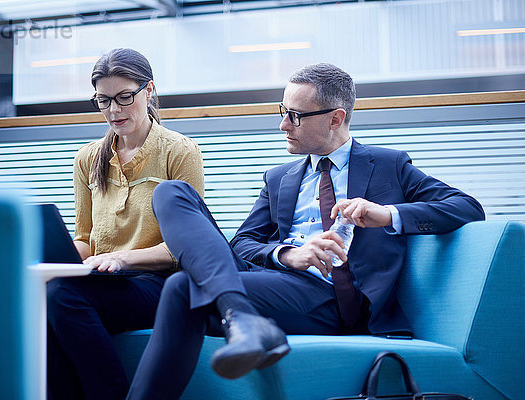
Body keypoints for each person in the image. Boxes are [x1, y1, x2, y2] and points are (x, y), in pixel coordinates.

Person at [124, 62, 486, 399]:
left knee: (183, 286)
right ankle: (243, 316)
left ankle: (240, 317)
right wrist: (287, 255)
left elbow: (466, 207)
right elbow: (242, 245)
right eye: (283, 112)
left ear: (336, 118)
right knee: (171, 192)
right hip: (275, 280)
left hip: (333, 297)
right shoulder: (279, 178)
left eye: (295, 116)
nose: (283, 125)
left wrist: (386, 214)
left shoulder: (388, 165)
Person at [46, 48, 204, 400]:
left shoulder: (180, 151)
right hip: (106, 281)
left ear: (148, 92)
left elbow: (184, 248)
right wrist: (54, 259)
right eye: (103, 101)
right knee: (42, 296)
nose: (113, 111)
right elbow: (86, 239)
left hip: (159, 283)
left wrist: (122, 259)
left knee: (61, 297)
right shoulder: (88, 158)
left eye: (124, 97)